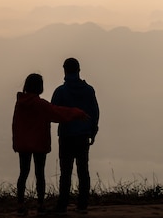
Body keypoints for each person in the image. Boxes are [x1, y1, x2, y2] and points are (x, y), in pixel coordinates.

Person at [12, 73, 89, 216]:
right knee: (39, 174)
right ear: (40, 87)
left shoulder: (20, 104)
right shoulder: (41, 105)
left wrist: (17, 142)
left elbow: (15, 125)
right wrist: (78, 113)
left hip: (23, 144)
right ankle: (40, 204)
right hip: (39, 143)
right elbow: (58, 112)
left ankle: (20, 205)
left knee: (23, 173)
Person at [51, 58, 100, 215]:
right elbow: (95, 113)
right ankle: (82, 205)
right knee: (83, 171)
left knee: (65, 172)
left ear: (64, 70)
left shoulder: (60, 91)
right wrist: (92, 131)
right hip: (83, 135)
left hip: (66, 135)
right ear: (79, 70)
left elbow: (54, 112)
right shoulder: (89, 90)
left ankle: (62, 205)